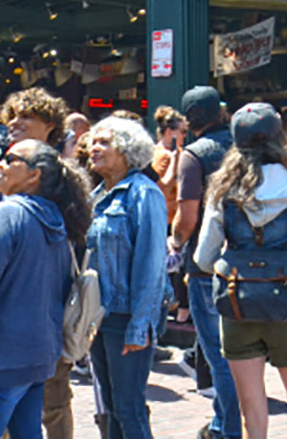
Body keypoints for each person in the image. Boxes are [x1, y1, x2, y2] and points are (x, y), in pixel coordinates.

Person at [194, 103, 287, 439]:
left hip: (238, 303)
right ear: (280, 138)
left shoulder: (223, 190)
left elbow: (204, 259)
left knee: (253, 419)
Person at [0, 139, 90, 438]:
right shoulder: (55, 220)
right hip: (39, 356)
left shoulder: (6, 215)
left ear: (34, 175)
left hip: (1, 358)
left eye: (11, 158)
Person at [0, 87, 74, 439]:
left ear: (50, 125)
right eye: (12, 115)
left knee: (53, 401)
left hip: (49, 304)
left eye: (26, 116)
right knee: (4, 403)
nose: (16, 122)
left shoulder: (67, 177)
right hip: (2, 306)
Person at [86, 115, 169, 439]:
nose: (94, 147)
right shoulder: (96, 195)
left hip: (125, 317)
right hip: (99, 316)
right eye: (93, 141)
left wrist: (140, 325)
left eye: (104, 142)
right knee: (110, 405)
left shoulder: (144, 193)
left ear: (127, 149)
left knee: (128, 406)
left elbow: (151, 264)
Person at [173, 86, 240, 439]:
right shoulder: (244, 148)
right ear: (221, 113)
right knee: (240, 354)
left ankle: (228, 429)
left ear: (188, 120)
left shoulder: (193, 156)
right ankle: (220, 422)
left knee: (219, 356)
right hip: (249, 262)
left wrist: (175, 242)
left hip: (206, 264)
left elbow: (187, 217)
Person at [151, 106, 187, 223]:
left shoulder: (176, 151)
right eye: (182, 132)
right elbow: (160, 189)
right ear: (169, 132)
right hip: (168, 219)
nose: (185, 135)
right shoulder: (164, 155)